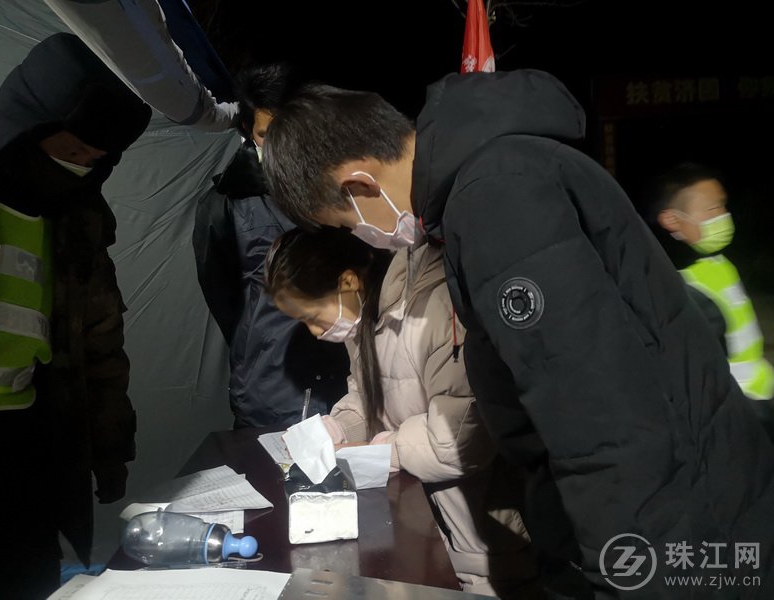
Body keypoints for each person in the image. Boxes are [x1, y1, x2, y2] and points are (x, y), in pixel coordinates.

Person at [260, 71, 774, 598]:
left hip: (680, 522)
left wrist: (616, 575)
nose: (361, 236)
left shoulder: (498, 200)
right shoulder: (492, 182)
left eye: (347, 222)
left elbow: (592, 407)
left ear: (359, 183)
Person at [265, 227, 540, 598]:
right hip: (420, 521)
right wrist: (341, 426)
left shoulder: (437, 308)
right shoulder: (364, 315)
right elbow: (369, 394)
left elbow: (456, 442)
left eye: (312, 316)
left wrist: (387, 448)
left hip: (481, 534)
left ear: (347, 281)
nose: (314, 333)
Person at [0, 33, 149, 599]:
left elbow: (98, 339)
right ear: (28, 124)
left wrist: (109, 446)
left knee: (28, 574)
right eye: (70, 151)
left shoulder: (76, 214)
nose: (78, 169)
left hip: (29, 431)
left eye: (94, 161)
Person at [192, 63, 348, 429]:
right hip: (269, 386)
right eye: (268, 133)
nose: (281, 145)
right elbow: (222, 294)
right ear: (249, 130)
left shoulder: (343, 190)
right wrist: (261, 338)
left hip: (347, 381)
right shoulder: (223, 204)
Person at [650, 162, 774, 437]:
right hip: (737, 410)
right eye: (711, 209)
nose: (723, 216)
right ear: (673, 220)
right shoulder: (680, 287)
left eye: (722, 206)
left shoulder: (718, 263)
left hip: (760, 394)